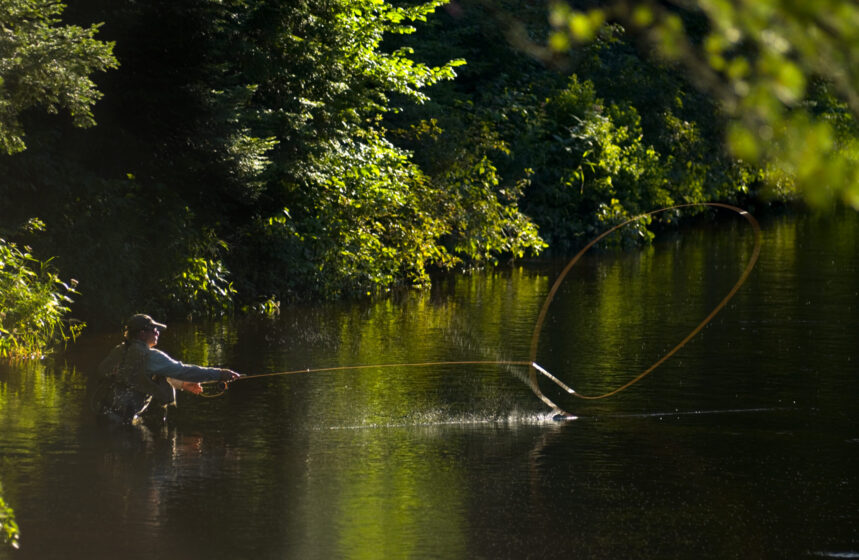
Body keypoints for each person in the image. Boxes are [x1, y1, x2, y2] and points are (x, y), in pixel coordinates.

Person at [95, 313, 241, 424]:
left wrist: (182, 384)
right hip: (122, 421)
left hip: (101, 413)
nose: (158, 332)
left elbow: (132, 376)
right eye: (154, 329)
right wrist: (219, 374)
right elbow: (185, 371)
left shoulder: (119, 350)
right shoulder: (151, 356)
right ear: (142, 334)